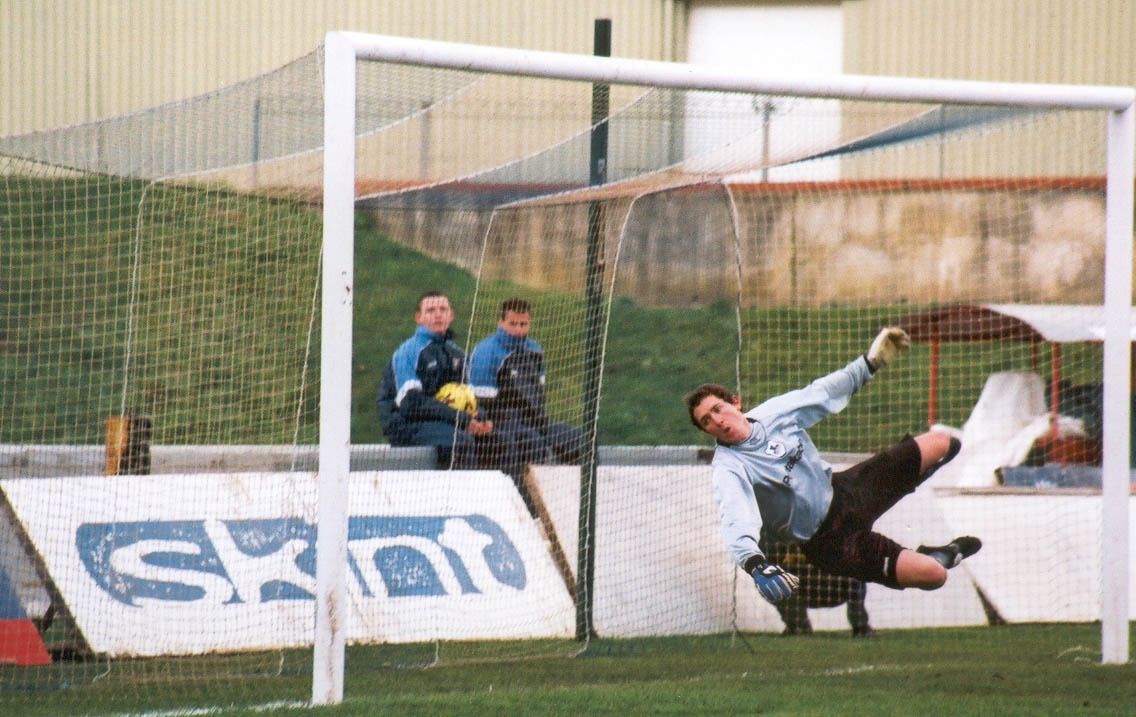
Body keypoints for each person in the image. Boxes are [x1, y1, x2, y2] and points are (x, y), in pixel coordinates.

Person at [683, 326, 981, 609]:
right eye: (706, 421)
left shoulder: (773, 413)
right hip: (830, 542)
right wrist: (754, 563)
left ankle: (906, 482)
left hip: (847, 491)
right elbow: (734, 518)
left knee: (943, 442)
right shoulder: (729, 469)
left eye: (717, 409)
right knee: (934, 576)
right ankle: (941, 555)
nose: (717, 421)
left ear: (735, 402)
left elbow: (822, 392)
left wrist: (870, 363)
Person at [468, 298, 582, 503]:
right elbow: (481, 405)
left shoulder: (535, 351)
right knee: (533, 443)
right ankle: (532, 507)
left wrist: (540, 421)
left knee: (580, 439)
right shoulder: (486, 352)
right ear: (500, 322)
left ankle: (577, 503)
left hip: (534, 421)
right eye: (513, 324)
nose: (519, 330)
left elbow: (538, 398)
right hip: (501, 421)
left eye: (523, 324)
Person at [379, 290, 497, 469]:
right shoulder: (409, 351)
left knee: (499, 441)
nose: (438, 314)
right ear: (418, 317)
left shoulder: (456, 353)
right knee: (460, 442)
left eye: (443, 309)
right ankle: (456, 496)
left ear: (451, 315)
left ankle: (496, 496)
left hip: (445, 422)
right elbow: (410, 404)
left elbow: (467, 396)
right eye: (430, 310)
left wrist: (479, 418)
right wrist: (460, 419)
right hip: (406, 425)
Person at [758, 531, 873, 637]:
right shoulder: (773, 532)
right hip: (803, 589)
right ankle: (798, 625)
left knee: (855, 571)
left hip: (831, 586)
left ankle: (860, 625)